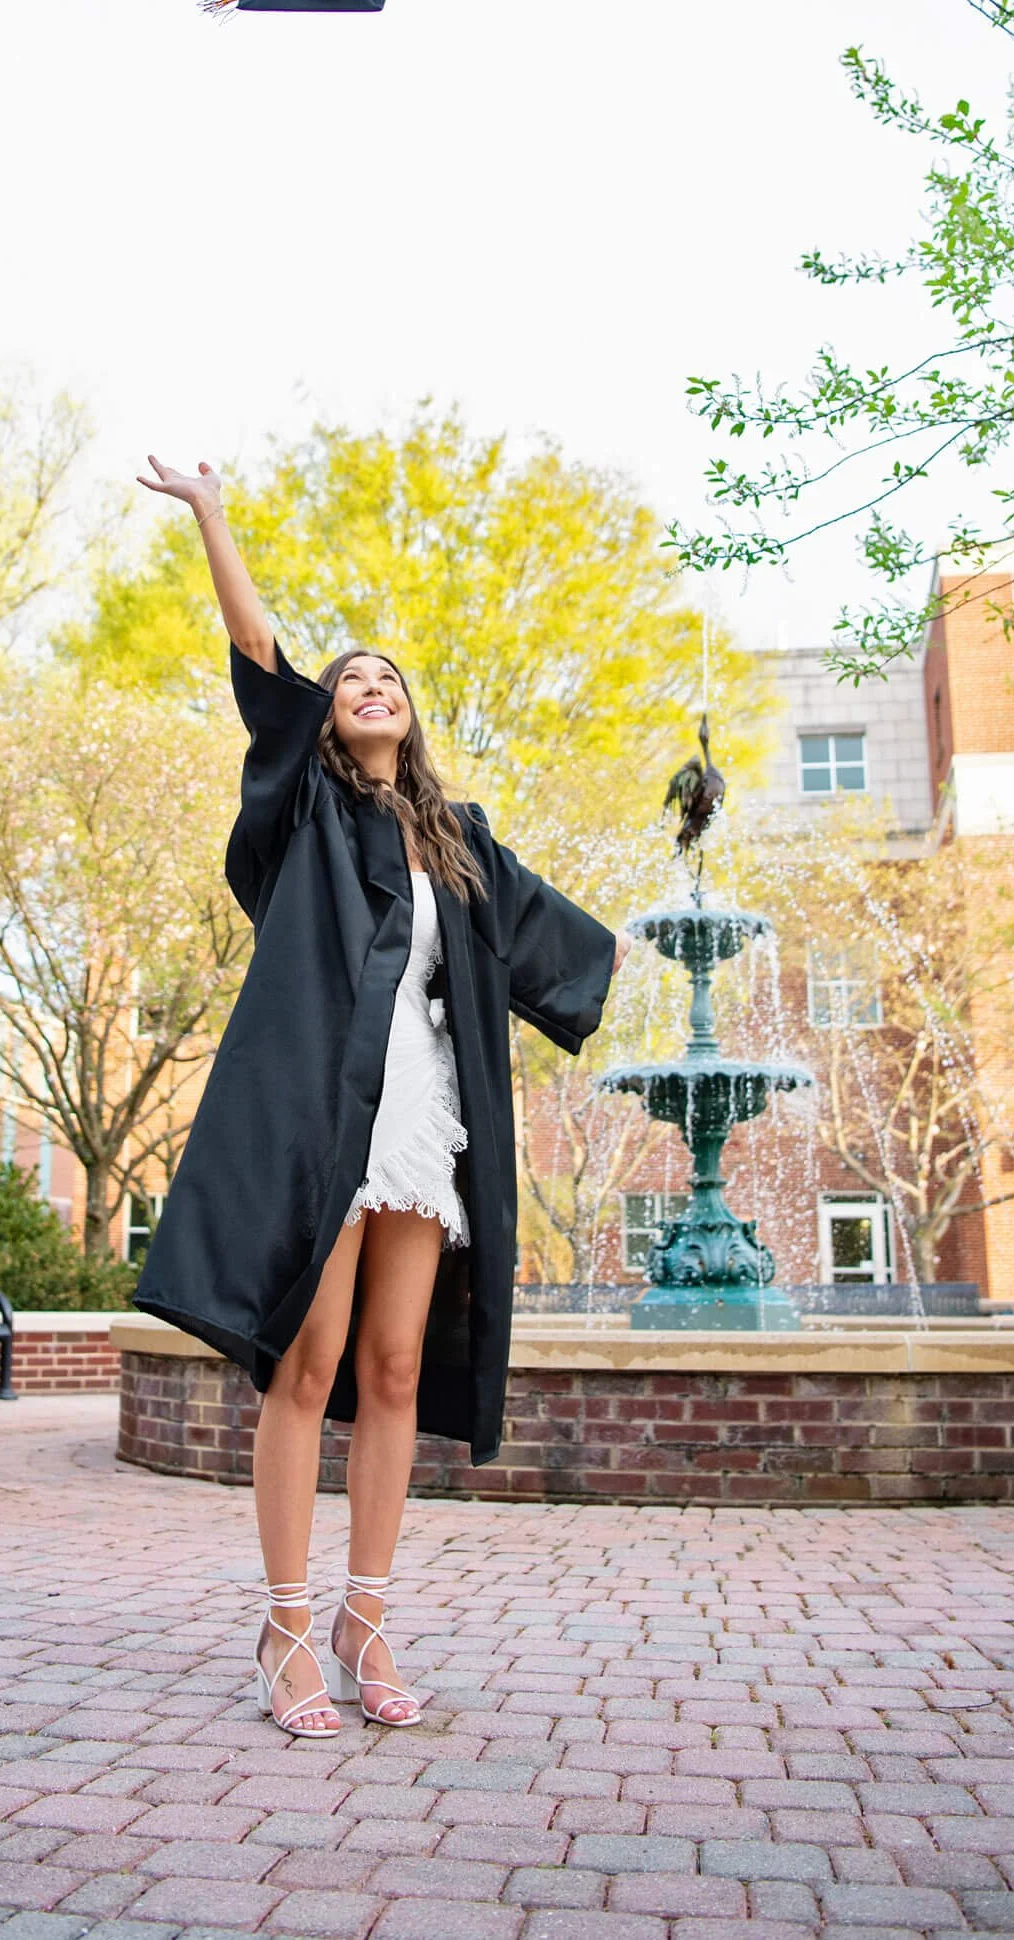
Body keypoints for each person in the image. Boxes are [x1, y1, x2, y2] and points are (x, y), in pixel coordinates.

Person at [132, 456, 629, 1739]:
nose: (368, 686)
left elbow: (564, 948)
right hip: (322, 1111)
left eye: (387, 679)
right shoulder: (306, 803)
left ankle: (368, 1616)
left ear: (410, 715)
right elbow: (259, 656)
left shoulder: (461, 838)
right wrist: (212, 516)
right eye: (350, 678)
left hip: (423, 1112)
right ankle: (286, 1627)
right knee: (307, 1362)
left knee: (396, 1364)